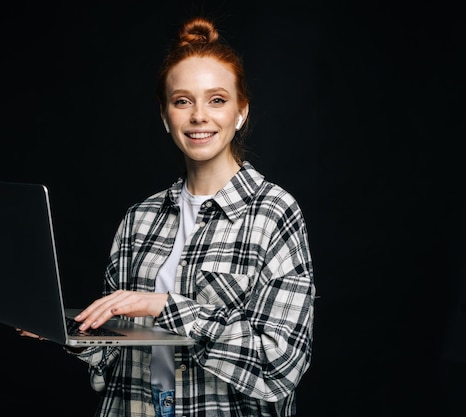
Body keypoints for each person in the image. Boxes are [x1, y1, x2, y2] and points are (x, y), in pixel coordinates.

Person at [21, 15, 315, 417]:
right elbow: (116, 355)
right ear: (165, 115)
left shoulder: (273, 213)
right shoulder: (139, 218)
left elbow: (280, 365)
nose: (198, 116)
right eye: (182, 101)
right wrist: (68, 333)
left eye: (216, 99)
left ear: (241, 111)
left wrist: (164, 306)